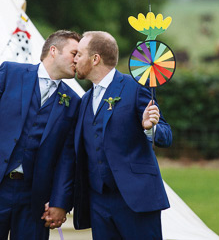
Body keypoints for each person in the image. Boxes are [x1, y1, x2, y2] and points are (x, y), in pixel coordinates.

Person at [0, 30, 82, 240]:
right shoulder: (11, 72)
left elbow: (67, 158)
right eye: (74, 53)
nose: (78, 60)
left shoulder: (74, 101)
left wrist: (60, 201)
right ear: (54, 50)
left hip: (35, 195)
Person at [72, 31, 172, 239]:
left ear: (95, 58)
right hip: (98, 202)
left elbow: (166, 135)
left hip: (137, 199)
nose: (75, 59)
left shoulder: (134, 88)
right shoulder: (84, 101)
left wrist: (149, 127)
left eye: (79, 54)